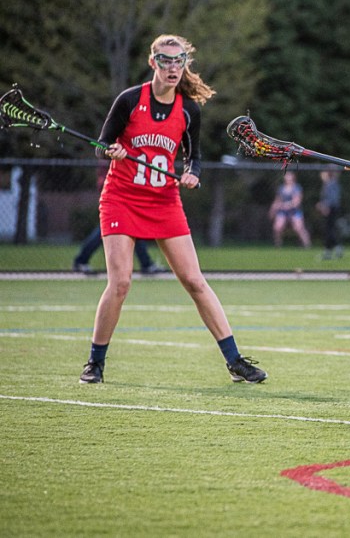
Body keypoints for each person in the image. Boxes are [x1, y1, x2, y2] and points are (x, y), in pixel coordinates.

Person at [78, 34, 266, 385]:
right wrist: (111, 151)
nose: (173, 68)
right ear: (153, 63)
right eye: (166, 61)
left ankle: (235, 360)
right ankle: (95, 362)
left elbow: (193, 157)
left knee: (195, 281)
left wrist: (192, 175)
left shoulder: (189, 109)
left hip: (164, 200)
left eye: (179, 61)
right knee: (119, 283)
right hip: (122, 196)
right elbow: (101, 145)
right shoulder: (130, 100)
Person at [270, 170, 312, 248]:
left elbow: (297, 202)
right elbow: (277, 200)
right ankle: (277, 244)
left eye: (289, 176)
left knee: (299, 228)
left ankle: (307, 244)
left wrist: (286, 205)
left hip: (294, 212)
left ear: (293, 177)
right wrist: (273, 209)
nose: (287, 178)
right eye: (286, 176)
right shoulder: (281, 188)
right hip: (283, 212)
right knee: (277, 227)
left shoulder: (296, 188)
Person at [316, 169, 343, 259]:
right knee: (328, 229)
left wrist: (325, 206)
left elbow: (333, 198)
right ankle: (328, 251)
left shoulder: (331, 184)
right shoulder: (328, 184)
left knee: (330, 230)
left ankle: (337, 247)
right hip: (330, 208)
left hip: (331, 209)